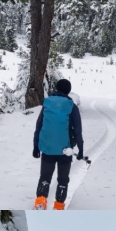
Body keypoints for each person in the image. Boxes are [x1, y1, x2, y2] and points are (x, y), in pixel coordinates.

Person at [32, 78, 84, 210]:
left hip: (47, 148)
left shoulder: (47, 104)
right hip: (65, 150)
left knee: (45, 176)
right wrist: (81, 149)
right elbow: (78, 130)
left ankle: (40, 201)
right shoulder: (71, 106)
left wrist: (36, 146)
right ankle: (59, 205)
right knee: (63, 179)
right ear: (68, 91)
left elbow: (39, 125)